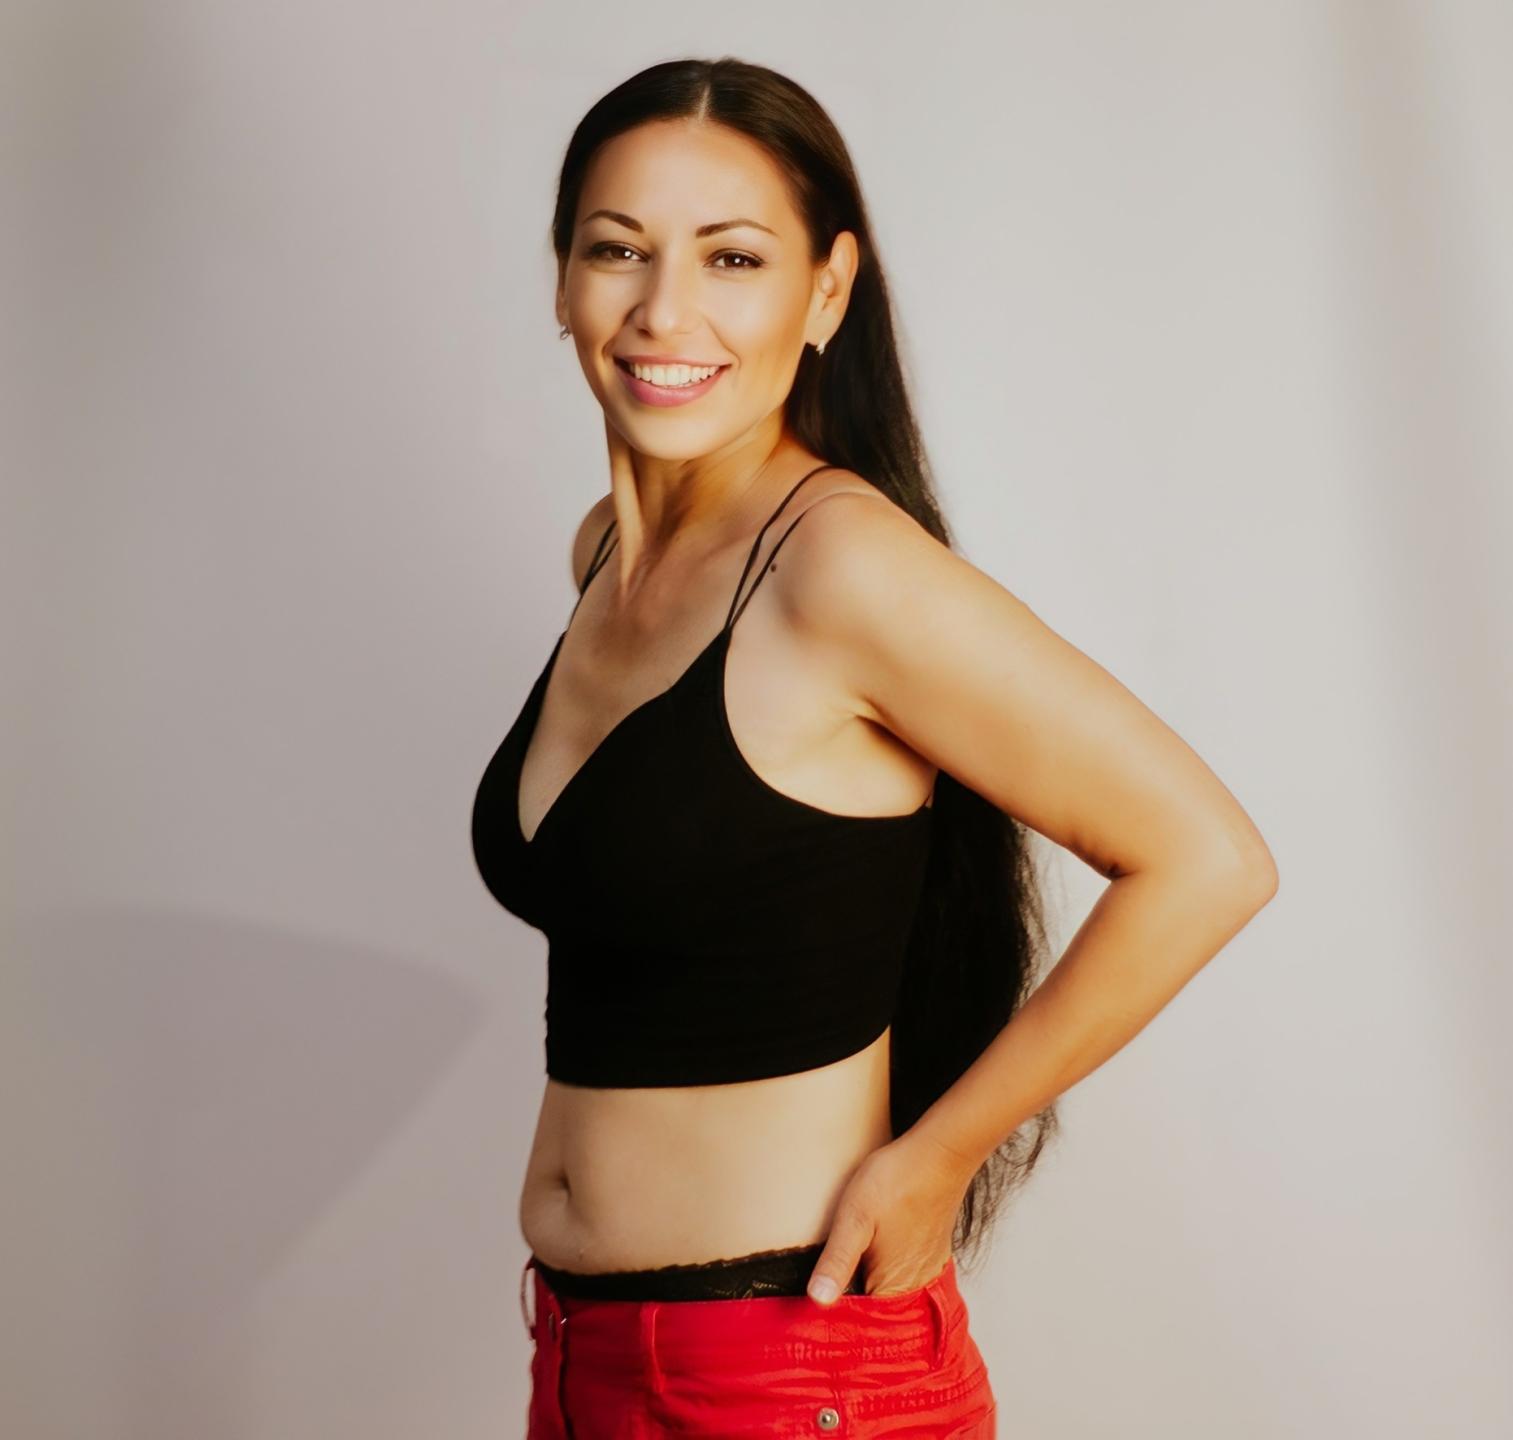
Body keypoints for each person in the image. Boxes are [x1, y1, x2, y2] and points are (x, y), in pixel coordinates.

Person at [470, 57, 1278, 1438]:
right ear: (562, 281)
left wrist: (941, 1155)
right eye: (617, 250)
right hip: (583, 1362)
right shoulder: (606, 555)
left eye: (732, 258)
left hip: (788, 1373)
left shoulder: (837, 568)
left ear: (827, 292)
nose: (664, 309)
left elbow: (1207, 859)